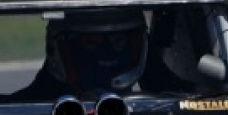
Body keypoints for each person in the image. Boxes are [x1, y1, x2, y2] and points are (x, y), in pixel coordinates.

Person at [9, 9, 150, 101]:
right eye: (91, 42)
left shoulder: (158, 113)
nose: (106, 54)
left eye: (118, 41)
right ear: (58, 50)